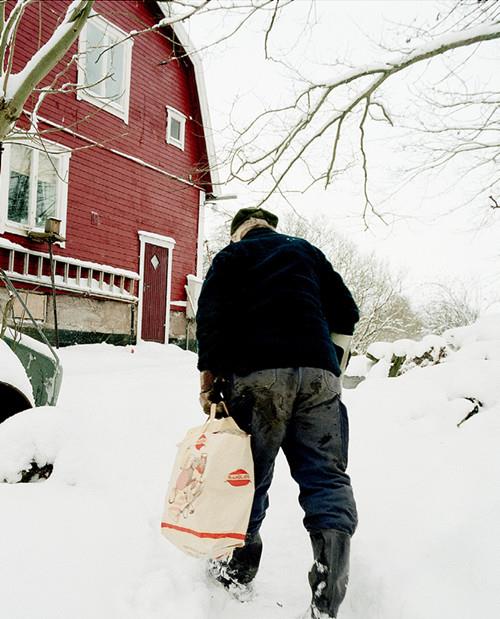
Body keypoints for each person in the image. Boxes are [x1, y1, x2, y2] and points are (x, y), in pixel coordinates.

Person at [196, 207, 359, 619]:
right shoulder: (305, 251)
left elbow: (211, 318)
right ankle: (329, 589)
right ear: (270, 228)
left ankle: (239, 567)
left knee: (246, 473)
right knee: (325, 476)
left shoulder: (232, 257)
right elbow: (347, 312)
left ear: (238, 233)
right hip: (320, 374)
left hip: (257, 374)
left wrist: (208, 378)